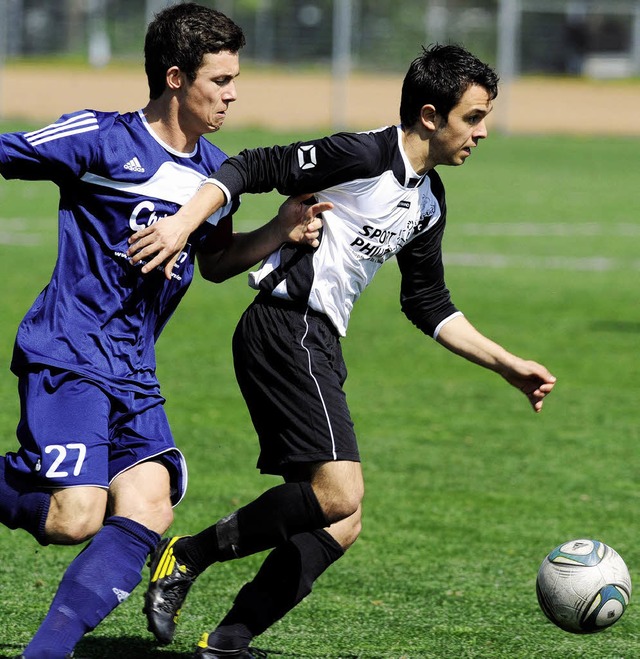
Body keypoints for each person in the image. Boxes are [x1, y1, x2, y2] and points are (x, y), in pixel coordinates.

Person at [129, 44, 557, 659]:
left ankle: (228, 640)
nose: (483, 131)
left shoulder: (428, 199)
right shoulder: (362, 154)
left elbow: (427, 302)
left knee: (340, 521)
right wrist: (181, 226)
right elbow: (251, 166)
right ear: (431, 116)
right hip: (284, 327)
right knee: (339, 494)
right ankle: (188, 555)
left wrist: (507, 364)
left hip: (319, 341)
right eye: (473, 117)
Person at [0, 3, 326, 657]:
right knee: (76, 516)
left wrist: (279, 231)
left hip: (134, 370)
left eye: (236, 80)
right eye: (221, 81)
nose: (233, 95)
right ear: (176, 78)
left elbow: (216, 263)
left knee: (150, 507)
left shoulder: (217, 175)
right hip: (69, 349)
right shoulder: (100, 140)